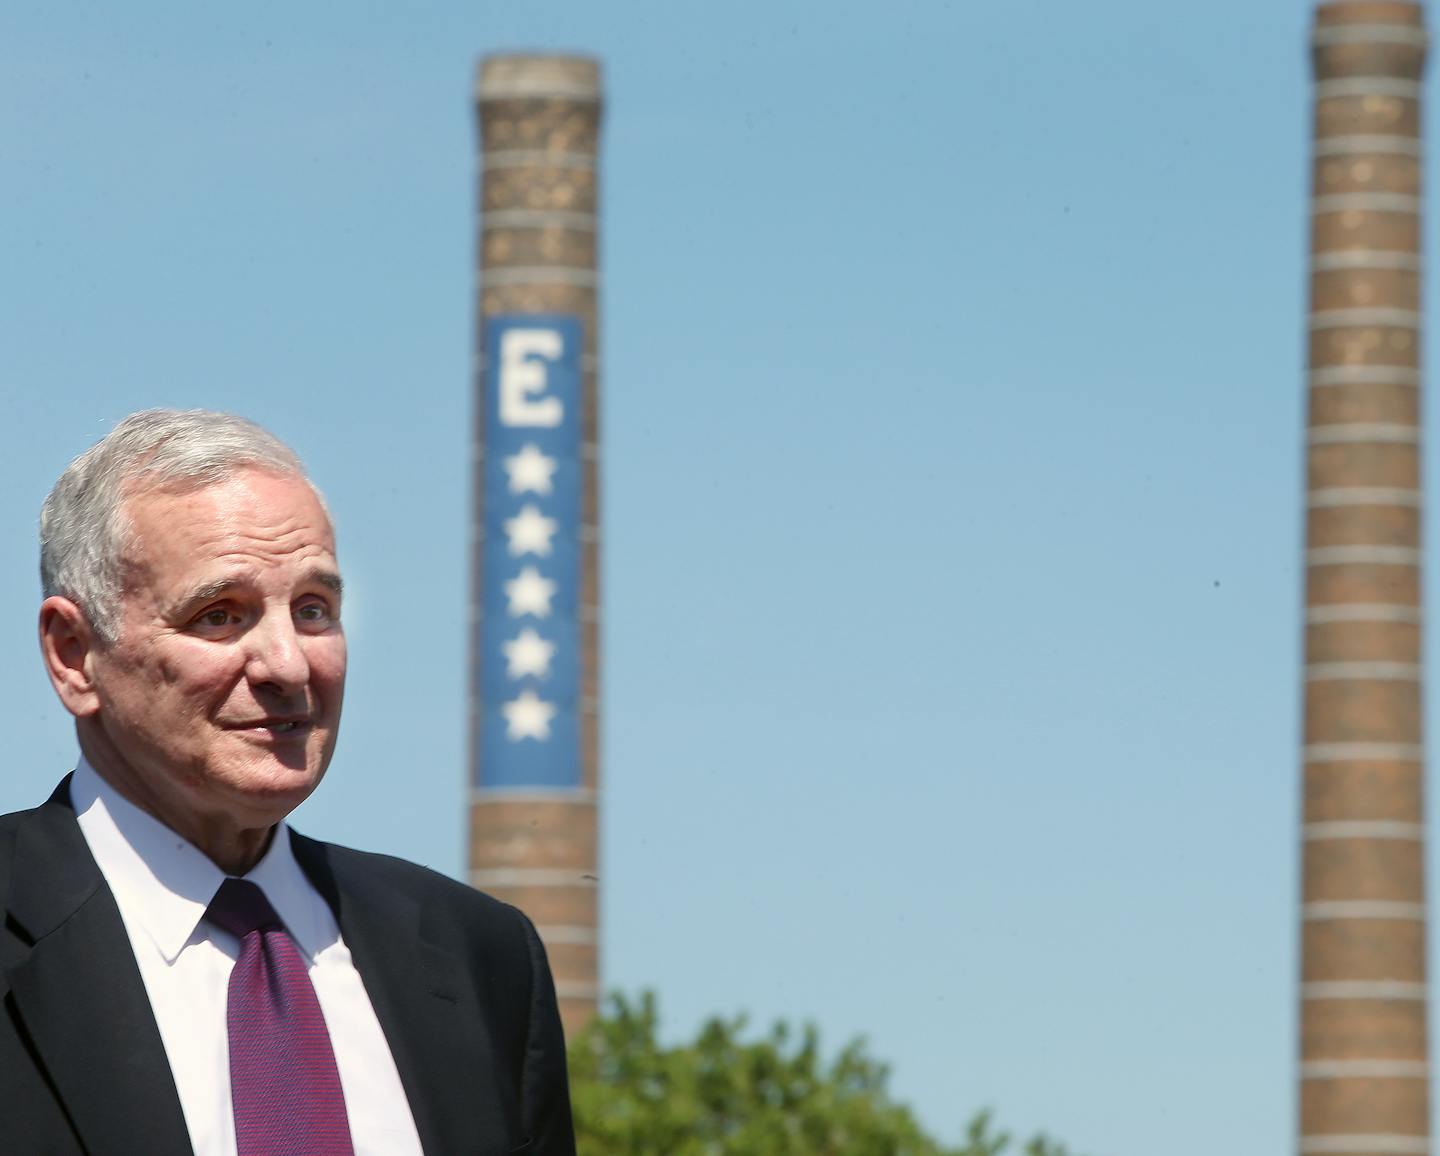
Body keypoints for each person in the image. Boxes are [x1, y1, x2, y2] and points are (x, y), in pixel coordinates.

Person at [0, 409, 575, 1155]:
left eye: (313, 610)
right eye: (220, 616)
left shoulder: (479, 956)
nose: (289, 665)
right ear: (76, 655)